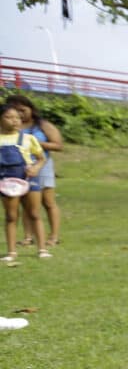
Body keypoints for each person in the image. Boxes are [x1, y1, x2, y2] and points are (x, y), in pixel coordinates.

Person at [5, 94, 63, 248]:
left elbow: (58, 145)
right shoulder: (12, 126)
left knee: (48, 202)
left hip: (41, 165)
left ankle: (54, 236)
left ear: (31, 108)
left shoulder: (42, 125)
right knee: (26, 203)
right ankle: (28, 237)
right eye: (16, 111)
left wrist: (36, 143)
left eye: (23, 110)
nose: (20, 114)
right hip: (20, 168)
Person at [0, 104, 48, 261]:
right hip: (7, 181)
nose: (14, 121)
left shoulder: (28, 138)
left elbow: (42, 158)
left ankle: (42, 249)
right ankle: (11, 252)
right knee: (11, 216)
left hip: (28, 179)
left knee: (34, 213)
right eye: (9, 117)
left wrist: (36, 168)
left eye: (17, 118)